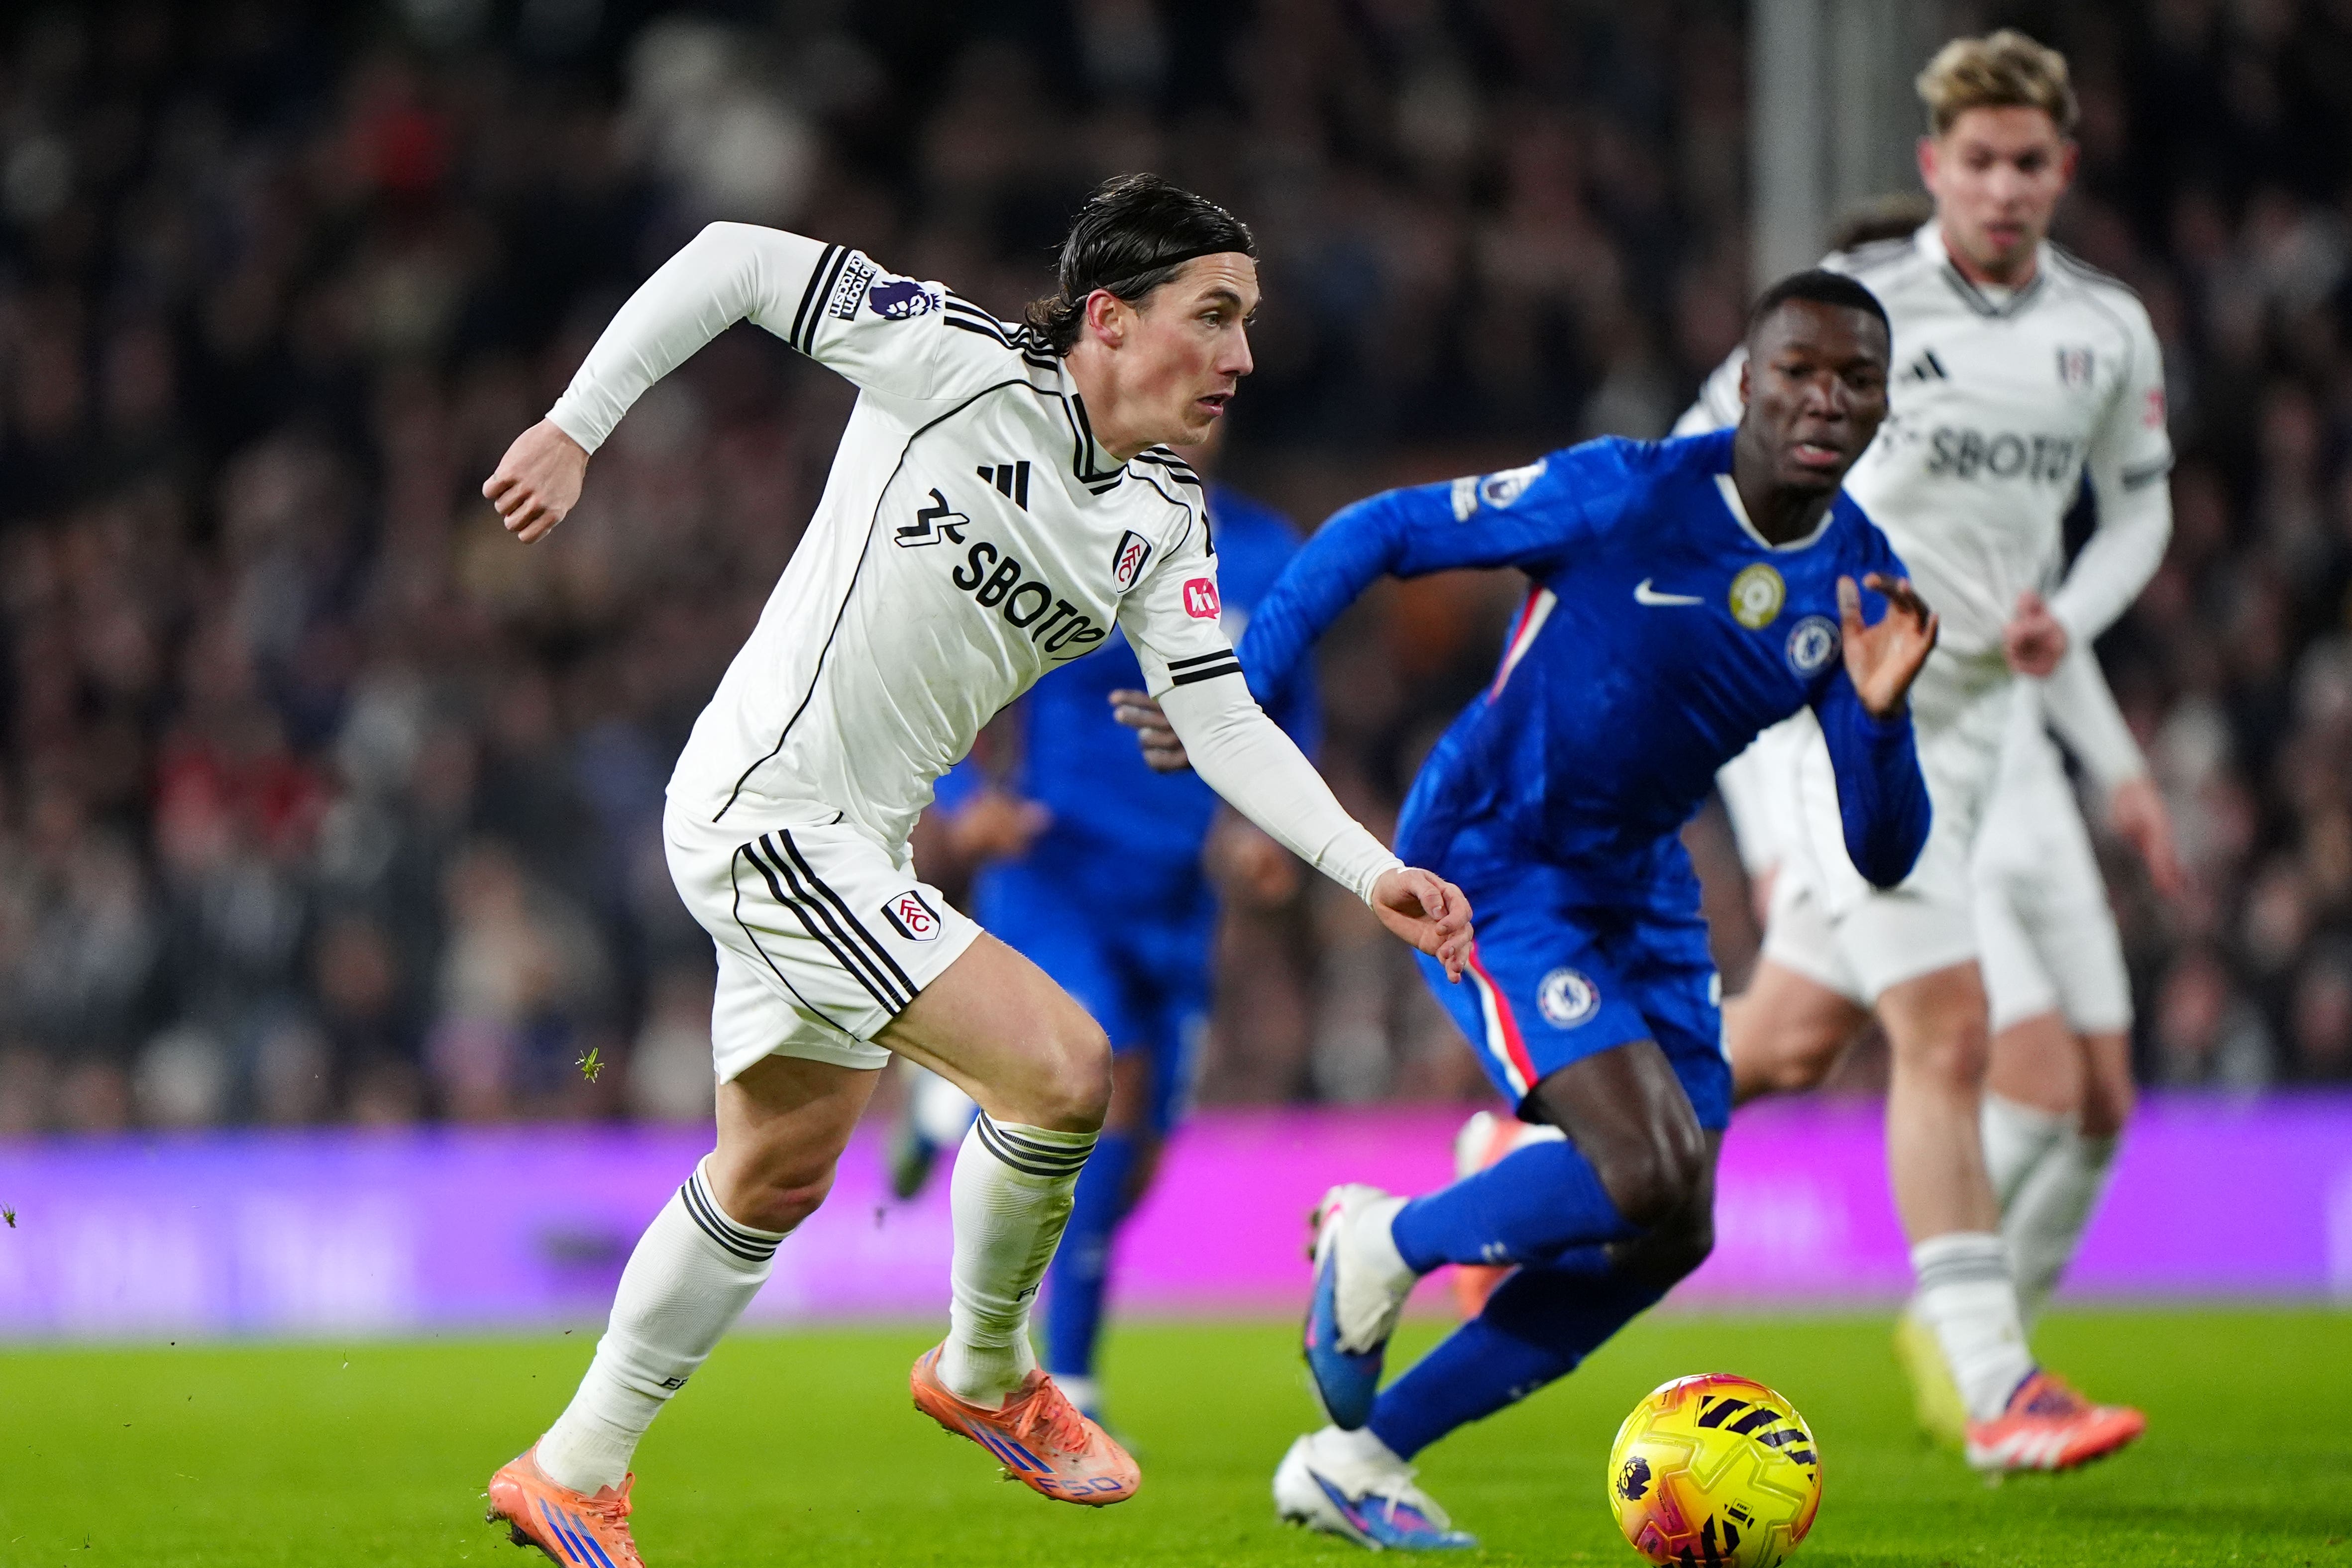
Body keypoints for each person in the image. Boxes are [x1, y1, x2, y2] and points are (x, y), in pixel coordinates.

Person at [473, 174, 1474, 1567]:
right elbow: (732, 259)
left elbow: (1219, 718)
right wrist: (576, 430)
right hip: (770, 813)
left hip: (848, 843)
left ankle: (571, 1470)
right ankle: (989, 1368)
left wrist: (1368, 872)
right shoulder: (951, 361)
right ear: (1110, 320)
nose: (1243, 356)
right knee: (1063, 1068)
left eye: (1248, 323)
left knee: (768, 1174)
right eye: (1215, 314)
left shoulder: (1161, 526)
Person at [1126, 270, 1937, 1549]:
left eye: (1855, 379)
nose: (1824, 400)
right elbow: (1379, 530)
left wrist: (1882, 717)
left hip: (1639, 878)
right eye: (1798, 371)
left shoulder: (1856, 584)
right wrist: (1239, 684)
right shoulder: (1631, 489)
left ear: (1885, 402)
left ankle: (1356, 1460)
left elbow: (1881, 849)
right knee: (1641, 1166)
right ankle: (1383, 1240)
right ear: (1747, 379)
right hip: (1494, 855)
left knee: (1671, 1226)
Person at [1691, 31, 2171, 1474]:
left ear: (2060, 170)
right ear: (1931, 169)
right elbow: (1686, 448)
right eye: (1977, 161)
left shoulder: (2107, 331)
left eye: (2028, 162)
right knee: (1953, 1037)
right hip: (1841, 713)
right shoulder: (1854, 313)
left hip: (1980, 733)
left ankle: (1474, 1190)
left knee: (1770, 1048)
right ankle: (1992, 1385)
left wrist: (2065, 616)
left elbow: (2135, 510)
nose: (2003, 186)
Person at [885, 449, 1316, 1424]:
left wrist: (1265, 829)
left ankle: (949, 1093)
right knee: (1105, 1097)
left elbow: (1291, 710)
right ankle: (1065, 1383)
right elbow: (949, 666)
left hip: (1176, 892)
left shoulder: (1263, 550)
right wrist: (963, 803)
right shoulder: (1060, 531)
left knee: (1134, 1167)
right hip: (1055, 871)